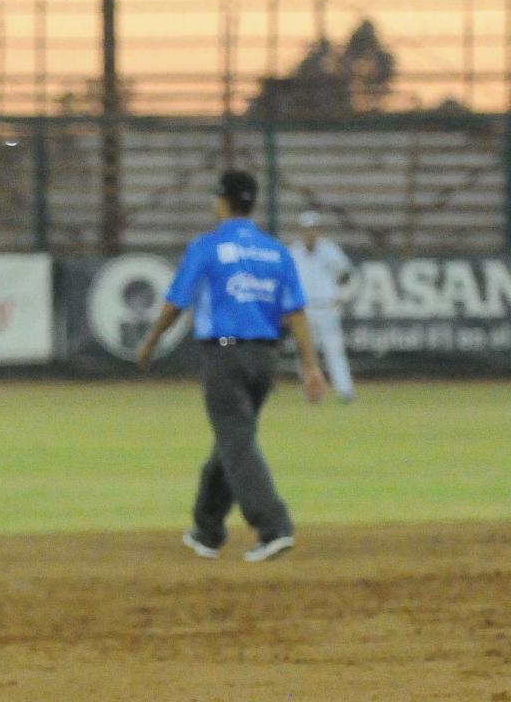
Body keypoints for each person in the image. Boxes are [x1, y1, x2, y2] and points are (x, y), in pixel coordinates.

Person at [135, 168, 325, 562]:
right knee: (231, 441)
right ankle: (207, 531)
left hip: (224, 354)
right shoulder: (276, 251)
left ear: (221, 201)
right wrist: (310, 366)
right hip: (265, 358)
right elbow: (297, 313)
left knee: (236, 443)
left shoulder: (207, 246)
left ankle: (274, 526)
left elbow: (177, 300)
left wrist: (152, 340)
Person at [288, 209, 356, 402]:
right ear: (302, 231)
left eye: (314, 229)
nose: (311, 233)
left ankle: (345, 391)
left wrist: (341, 295)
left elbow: (346, 273)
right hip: (304, 308)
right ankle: (313, 393)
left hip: (327, 307)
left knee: (334, 350)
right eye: (307, 229)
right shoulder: (293, 252)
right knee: (305, 352)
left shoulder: (329, 250)